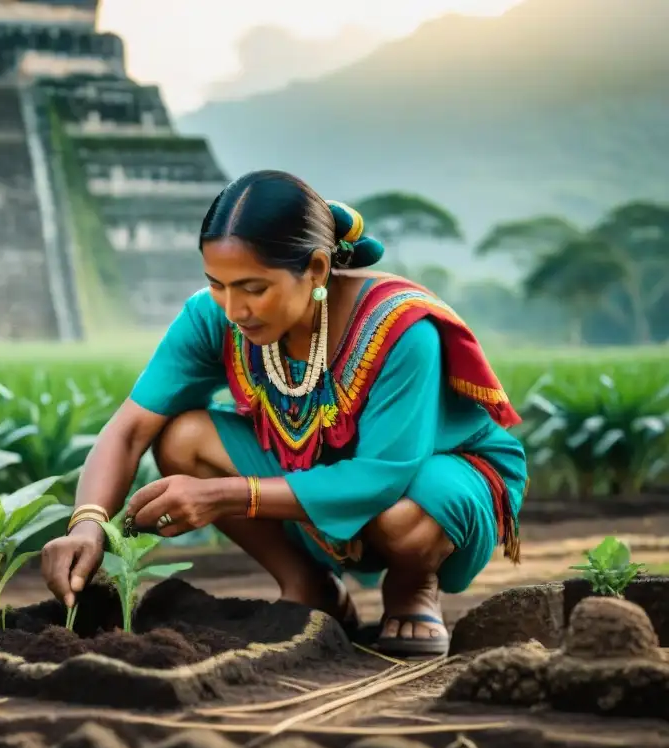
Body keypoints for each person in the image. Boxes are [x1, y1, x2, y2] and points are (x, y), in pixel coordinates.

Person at [41, 170, 528, 657]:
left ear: (316, 269)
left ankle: (412, 585)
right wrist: (87, 523)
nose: (234, 308)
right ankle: (310, 586)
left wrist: (225, 495)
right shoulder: (214, 316)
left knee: (406, 517)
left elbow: (381, 476)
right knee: (181, 438)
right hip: (307, 469)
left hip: (427, 478)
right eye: (217, 285)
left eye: (254, 287)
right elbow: (129, 430)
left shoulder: (400, 328)